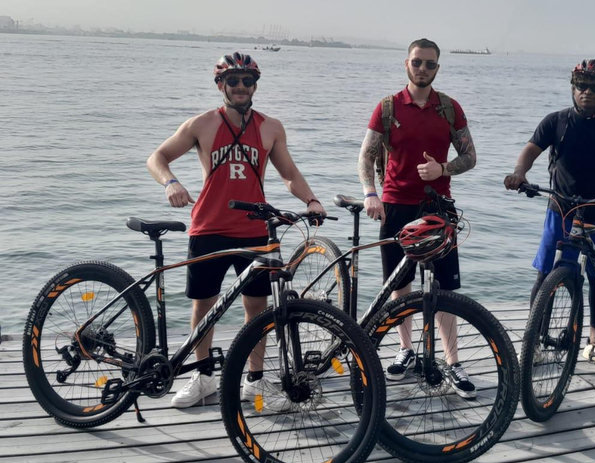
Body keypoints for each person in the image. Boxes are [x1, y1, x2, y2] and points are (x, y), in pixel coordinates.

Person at [147, 52, 326, 408]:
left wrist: (311, 201)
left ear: (255, 85)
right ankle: (204, 377)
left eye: (247, 80)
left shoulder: (271, 127)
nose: (240, 86)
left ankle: (255, 382)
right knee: (203, 304)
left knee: (257, 306)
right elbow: (157, 158)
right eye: (233, 80)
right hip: (208, 227)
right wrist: (170, 183)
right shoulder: (200, 124)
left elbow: (288, 174)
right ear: (220, 85)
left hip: (254, 229)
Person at [504, 59, 595, 372]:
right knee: (545, 277)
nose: (586, 91)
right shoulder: (556, 121)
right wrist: (519, 173)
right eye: (581, 85)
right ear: (572, 87)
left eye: (594, 86)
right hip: (562, 210)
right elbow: (531, 149)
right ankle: (534, 343)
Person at [357, 38, 478, 398]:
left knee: (444, 288)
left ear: (437, 68)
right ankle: (406, 350)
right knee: (401, 286)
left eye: (429, 64)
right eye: (417, 62)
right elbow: (366, 157)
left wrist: (443, 167)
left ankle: (453, 363)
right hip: (395, 206)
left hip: (438, 208)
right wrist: (370, 193)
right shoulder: (388, 107)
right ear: (406, 64)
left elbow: (470, 156)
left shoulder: (449, 108)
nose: (422, 69)